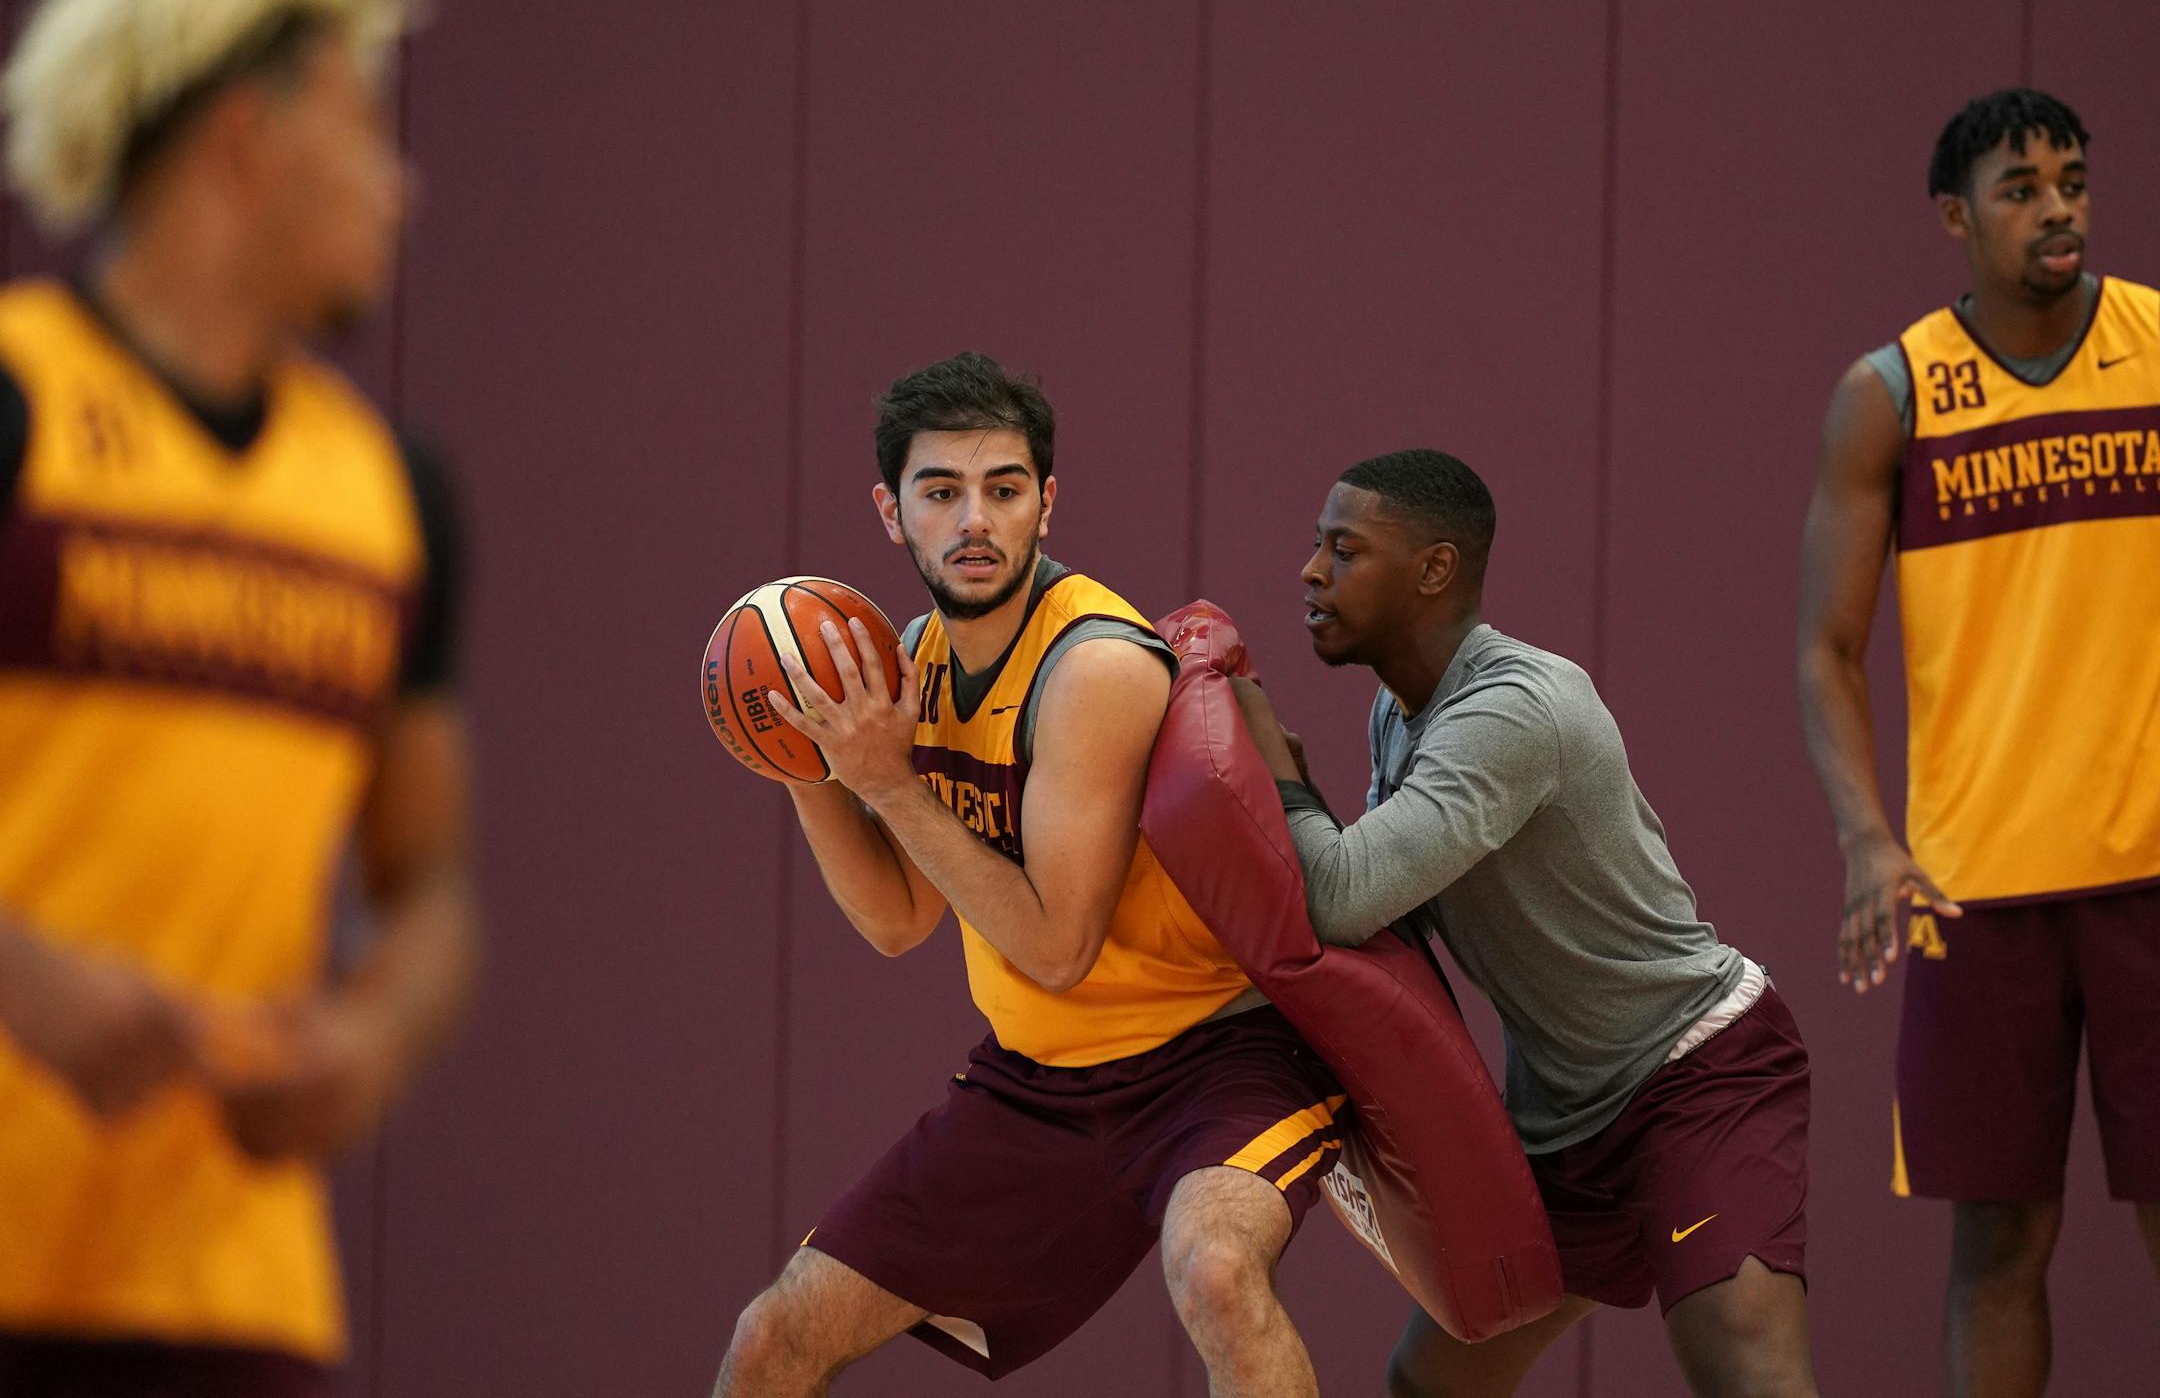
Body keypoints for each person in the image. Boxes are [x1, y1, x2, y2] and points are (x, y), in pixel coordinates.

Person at [0, 0, 478, 1393]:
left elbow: (432, 890)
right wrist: (18, 973)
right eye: (363, 126)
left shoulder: (392, 492)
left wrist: (370, 1037)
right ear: (245, 140)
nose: (400, 187)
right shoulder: (18, 396)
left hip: (235, 1298)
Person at [713, 352, 1343, 1397]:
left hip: (1215, 1060)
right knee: (771, 1342)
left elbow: (1055, 947)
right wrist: (805, 756)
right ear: (890, 511)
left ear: (1047, 504)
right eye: (941, 493)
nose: (975, 521)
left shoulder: (1090, 666)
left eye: (1004, 490)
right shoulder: (905, 659)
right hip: (1043, 1082)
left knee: (1220, 1274)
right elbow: (898, 922)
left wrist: (892, 787)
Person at [1231, 449, 1817, 1397]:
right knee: (1434, 1385)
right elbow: (1388, 911)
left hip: (1698, 1073)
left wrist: (1280, 774)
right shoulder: (1400, 709)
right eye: (1315, 547)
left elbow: (1339, 898)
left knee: (1747, 1375)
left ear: (1434, 570)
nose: (1310, 571)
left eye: (1343, 550)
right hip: (1569, 1120)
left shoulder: (1511, 711)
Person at [1797, 87, 2160, 1397]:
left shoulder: (2158, 346)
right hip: (1975, 885)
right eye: (2022, 188)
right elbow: (1823, 651)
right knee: (2001, 1236)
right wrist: (1865, 843)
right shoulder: (1891, 395)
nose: (2058, 206)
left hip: (2151, 871)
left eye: (2074, 178)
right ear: (1956, 218)